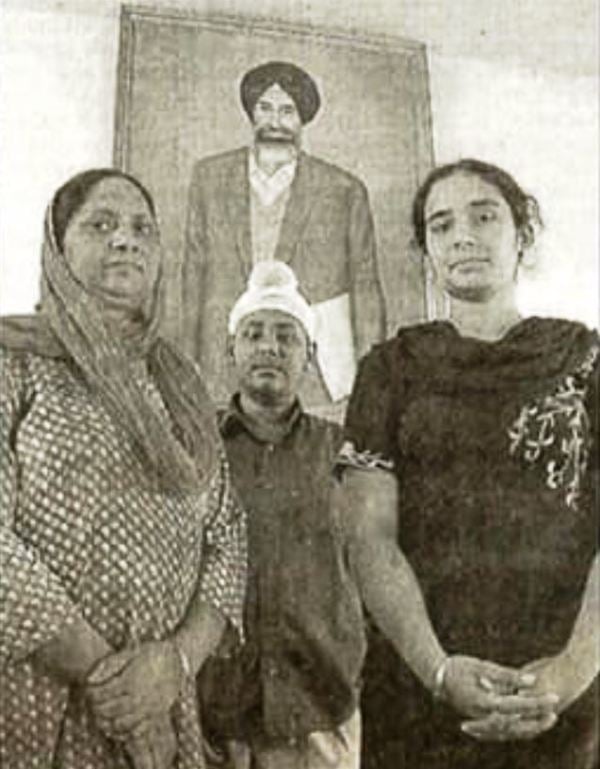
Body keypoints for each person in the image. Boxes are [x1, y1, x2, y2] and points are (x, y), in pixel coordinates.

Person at [336, 158, 599, 768]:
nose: (463, 236)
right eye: (441, 224)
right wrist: (437, 668)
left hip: (566, 686)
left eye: (484, 216)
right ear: (427, 249)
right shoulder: (392, 367)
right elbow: (369, 537)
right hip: (419, 682)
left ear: (522, 235)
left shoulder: (583, 359)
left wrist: (570, 670)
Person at [0, 168, 247, 769]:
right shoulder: (15, 363)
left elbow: (228, 536)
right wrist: (118, 690)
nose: (125, 240)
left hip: (166, 704)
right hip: (33, 697)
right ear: (59, 249)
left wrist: (177, 663)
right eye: (101, 224)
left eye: (142, 228)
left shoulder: (180, 384)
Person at [198, 261, 366, 769]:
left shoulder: (344, 451)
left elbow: (373, 564)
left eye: (286, 336)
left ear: (309, 355)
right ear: (232, 349)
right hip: (216, 715)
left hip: (321, 714)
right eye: (253, 333)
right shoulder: (194, 448)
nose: (269, 346)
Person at [182, 60, 386, 408]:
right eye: (265, 108)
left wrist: (370, 380)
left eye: (287, 111)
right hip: (223, 368)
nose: (275, 122)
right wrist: (188, 369)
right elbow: (193, 276)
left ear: (302, 117)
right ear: (251, 113)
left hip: (315, 372)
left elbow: (365, 286)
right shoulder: (210, 177)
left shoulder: (343, 188)